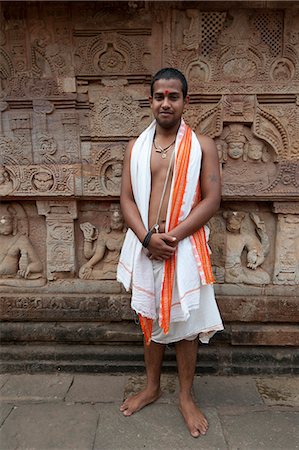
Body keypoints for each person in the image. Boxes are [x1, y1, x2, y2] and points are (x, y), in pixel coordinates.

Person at [117, 68, 223, 437]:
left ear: (184, 101)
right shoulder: (136, 146)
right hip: (147, 246)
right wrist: (147, 238)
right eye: (159, 96)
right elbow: (126, 198)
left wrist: (172, 237)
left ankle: (186, 396)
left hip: (184, 245)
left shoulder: (203, 145)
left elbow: (212, 200)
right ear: (151, 100)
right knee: (148, 318)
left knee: (187, 327)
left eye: (173, 96)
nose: (166, 102)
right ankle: (151, 387)